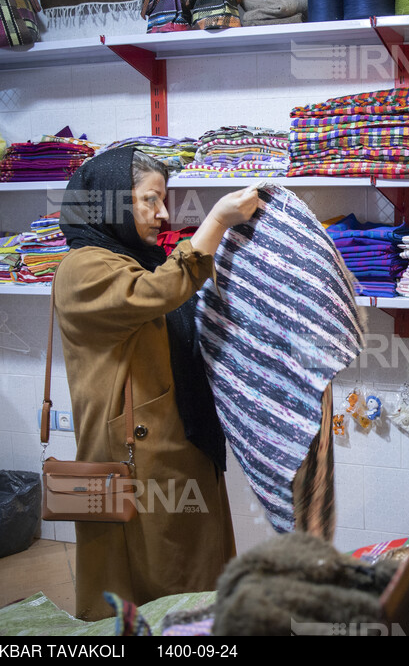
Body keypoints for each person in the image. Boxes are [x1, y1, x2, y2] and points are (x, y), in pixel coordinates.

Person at [53, 147, 259, 620]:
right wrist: (218, 221)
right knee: (157, 576)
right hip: (133, 457)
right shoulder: (84, 268)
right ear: (110, 203)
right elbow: (159, 291)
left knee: (187, 562)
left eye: (163, 200)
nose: (163, 215)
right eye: (150, 200)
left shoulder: (132, 256)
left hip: (168, 442)